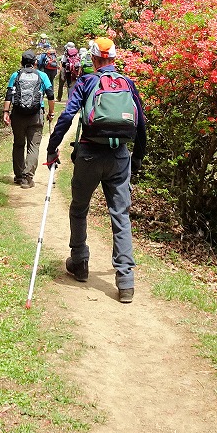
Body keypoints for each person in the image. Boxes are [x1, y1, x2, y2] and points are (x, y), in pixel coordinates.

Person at [45, 36, 146, 303]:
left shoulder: (87, 82)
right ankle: (125, 281)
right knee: (120, 215)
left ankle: (79, 262)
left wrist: (52, 148)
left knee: (79, 209)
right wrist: (136, 160)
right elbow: (141, 124)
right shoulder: (127, 83)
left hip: (89, 153)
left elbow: (68, 116)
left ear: (93, 58)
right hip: (119, 156)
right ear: (113, 58)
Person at [4, 52, 55, 189]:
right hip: (36, 115)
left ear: (22, 62)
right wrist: (51, 112)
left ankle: (19, 176)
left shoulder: (16, 75)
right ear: (35, 63)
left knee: (19, 144)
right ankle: (27, 178)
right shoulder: (42, 76)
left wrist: (5, 112)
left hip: (18, 115)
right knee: (33, 146)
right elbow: (50, 95)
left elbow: (9, 94)